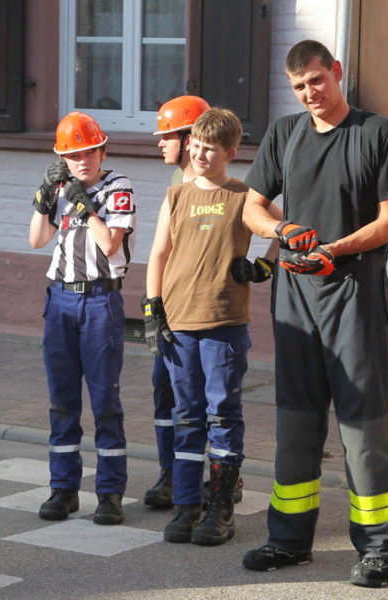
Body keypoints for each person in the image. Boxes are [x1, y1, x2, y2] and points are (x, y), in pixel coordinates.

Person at [240, 40, 388, 588]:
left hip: (354, 291)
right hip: (293, 292)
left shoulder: (377, 133)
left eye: (317, 80)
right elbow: (252, 207)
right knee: (296, 418)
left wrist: (334, 249)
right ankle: (288, 541)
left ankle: (381, 548)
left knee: (362, 423)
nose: (310, 93)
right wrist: (281, 231)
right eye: (299, 87)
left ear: (336, 73)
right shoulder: (284, 136)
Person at [144, 107, 267, 547]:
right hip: (179, 321)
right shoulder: (177, 196)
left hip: (223, 322)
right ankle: (186, 504)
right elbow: (159, 253)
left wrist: (263, 267)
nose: (198, 153)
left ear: (230, 152)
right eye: (194, 145)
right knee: (185, 415)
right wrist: (152, 307)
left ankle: (220, 509)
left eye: (209, 148)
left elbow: (278, 228)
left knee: (222, 414)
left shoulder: (243, 195)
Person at [29, 111, 136, 526]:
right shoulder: (61, 189)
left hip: (98, 301)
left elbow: (110, 245)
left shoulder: (117, 186)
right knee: (62, 401)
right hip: (59, 301)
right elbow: (37, 239)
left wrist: (85, 205)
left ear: (102, 150)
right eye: (73, 155)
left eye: (89, 152)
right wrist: (44, 196)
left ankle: (109, 493)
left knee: (105, 399)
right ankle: (64, 488)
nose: (83, 161)